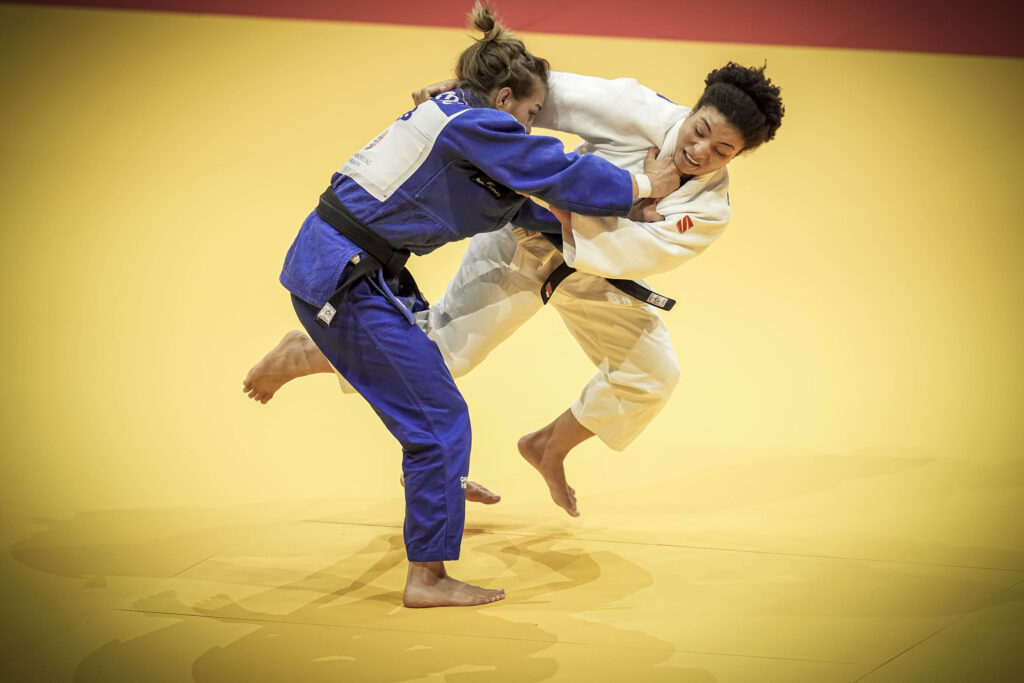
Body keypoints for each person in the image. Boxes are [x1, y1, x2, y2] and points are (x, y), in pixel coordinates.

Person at [273, 2, 681, 608]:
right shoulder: (473, 124)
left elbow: (522, 203)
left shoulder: (457, 120)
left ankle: (419, 467)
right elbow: (551, 170)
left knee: (433, 394)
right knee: (439, 420)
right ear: (505, 97)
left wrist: (629, 215)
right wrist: (646, 185)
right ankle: (427, 578)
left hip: (351, 269)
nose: (531, 127)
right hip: (342, 277)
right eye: (531, 114)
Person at [248, 63, 782, 520]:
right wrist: (461, 90)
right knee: (443, 356)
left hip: (592, 272)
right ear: (692, 110)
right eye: (699, 130)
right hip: (524, 242)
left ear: (738, 155)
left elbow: (632, 254)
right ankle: (307, 353)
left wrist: (584, 199)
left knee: (653, 376)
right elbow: (540, 90)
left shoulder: (710, 212)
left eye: (722, 150)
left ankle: (548, 446)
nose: (699, 151)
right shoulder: (638, 109)